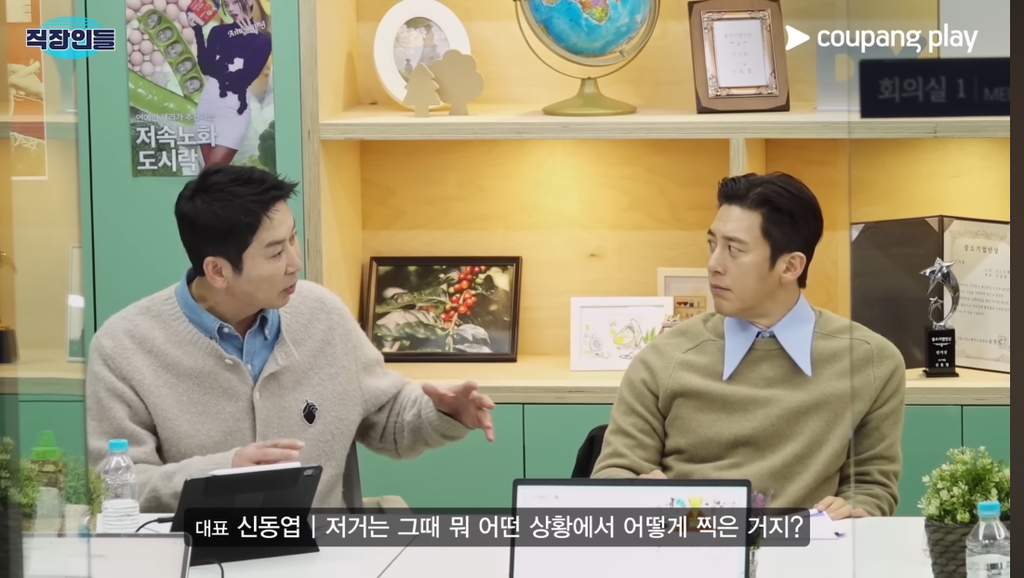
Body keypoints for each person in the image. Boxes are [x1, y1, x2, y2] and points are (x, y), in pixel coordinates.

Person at [85, 165, 495, 513]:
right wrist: (221, 472)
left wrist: (443, 413)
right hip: (197, 559)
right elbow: (115, 487)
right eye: (275, 252)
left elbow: (387, 419)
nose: (295, 262)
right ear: (218, 271)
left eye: (293, 239)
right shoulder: (125, 347)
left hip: (321, 558)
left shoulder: (321, 313)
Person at [591, 172, 906, 519]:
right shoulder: (663, 358)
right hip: (690, 539)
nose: (713, 264)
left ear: (790, 266)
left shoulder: (870, 361)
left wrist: (857, 510)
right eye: (712, 245)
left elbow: (872, 486)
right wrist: (637, 495)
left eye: (734, 250)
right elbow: (615, 474)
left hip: (807, 546)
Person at [188, 0, 272, 166]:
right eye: (226, 4)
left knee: (213, 169)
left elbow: (246, 75)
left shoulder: (263, 39)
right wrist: (197, 31)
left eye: (234, 2)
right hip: (208, 104)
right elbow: (206, 68)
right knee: (212, 171)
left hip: (234, 109)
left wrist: (248, 36)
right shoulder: (218, 32)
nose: (231, 8)